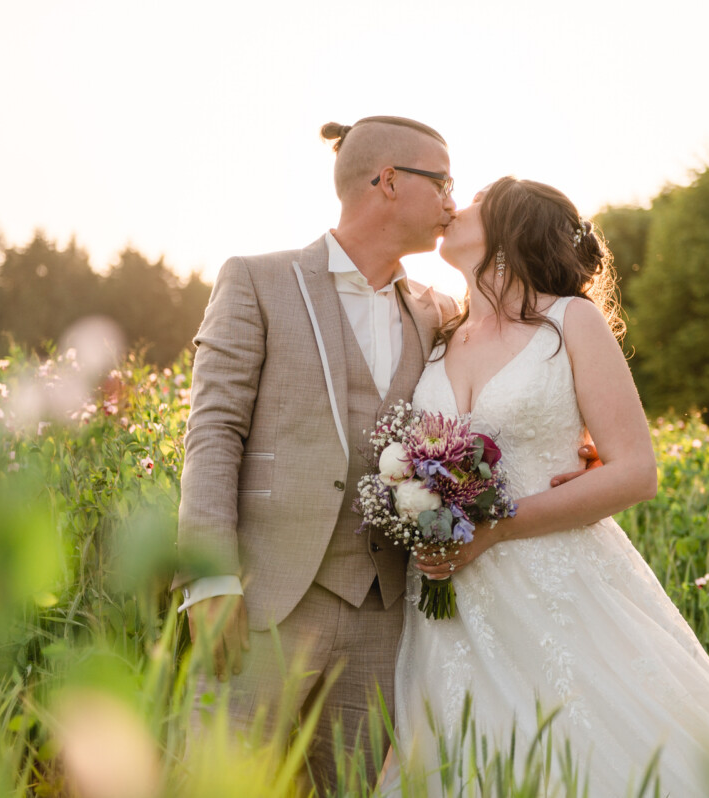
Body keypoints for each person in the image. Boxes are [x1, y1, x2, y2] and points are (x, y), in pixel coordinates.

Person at [389, 177, 709, 797]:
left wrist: (497, 528)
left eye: (475, 203)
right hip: (446, 601)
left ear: (510, 233)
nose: (453, 209)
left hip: (553, 579)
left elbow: (634, 470)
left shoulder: (568, 322)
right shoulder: (433, 330)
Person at [173, 115, 459, 790]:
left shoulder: (440, 311)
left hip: (383, 612)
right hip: (263, 601)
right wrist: (208, 581)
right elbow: (212, 431)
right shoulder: (256, 281)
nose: (455, 201)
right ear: (387, 182)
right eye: (443, 181)